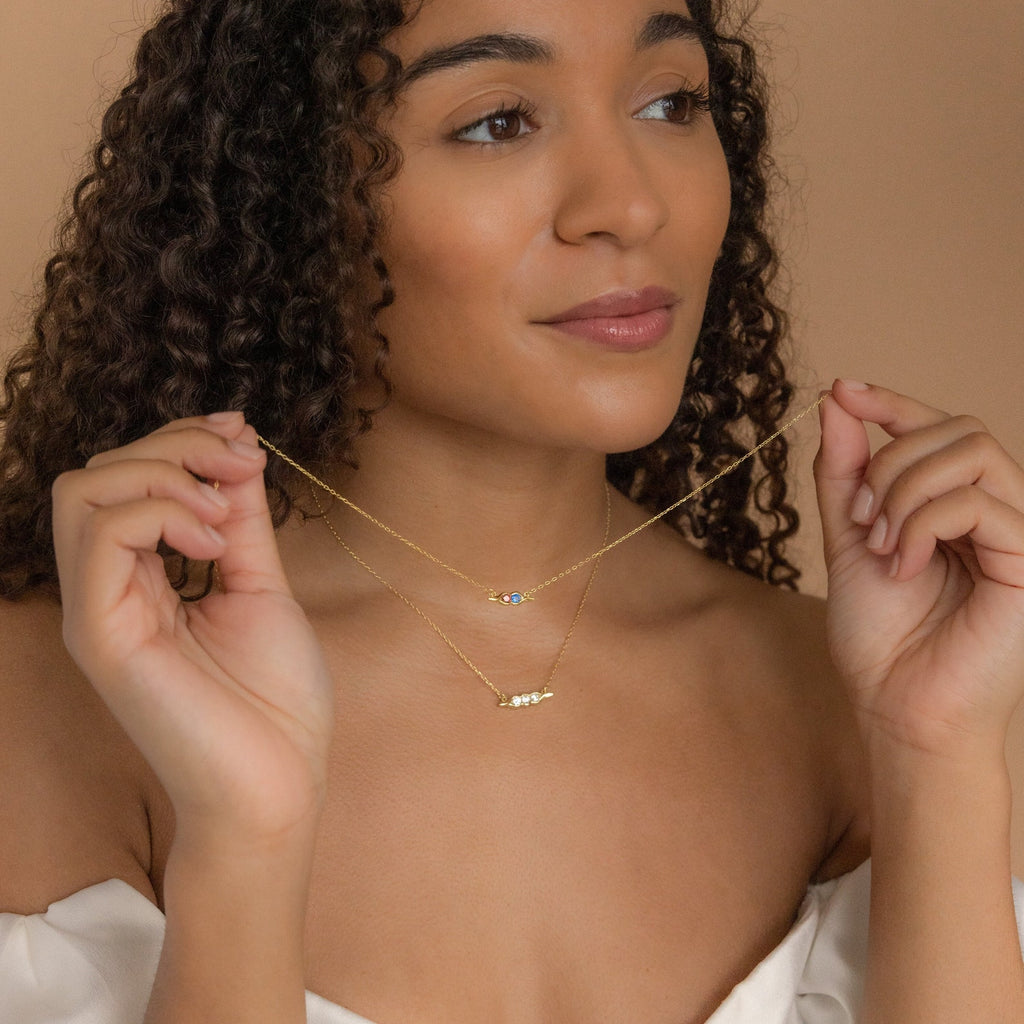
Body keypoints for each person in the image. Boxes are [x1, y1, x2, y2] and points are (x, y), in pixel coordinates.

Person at [1, 0, 1022, 1022]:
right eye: (498, 121)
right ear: (284, 187)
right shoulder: (54, 703)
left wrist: (938, 752)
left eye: (670, 101)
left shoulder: (860, 694)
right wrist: (242, 839)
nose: (630, 205)